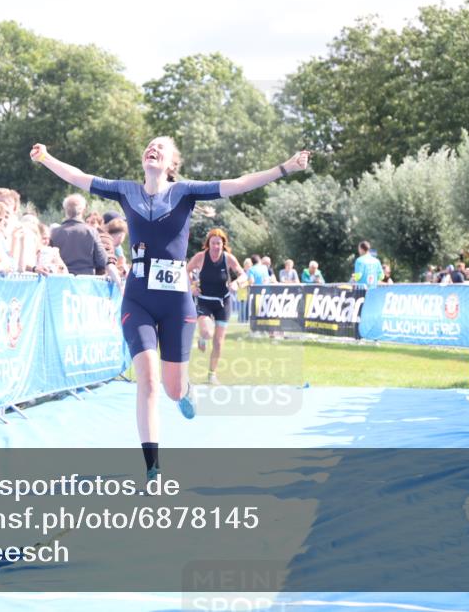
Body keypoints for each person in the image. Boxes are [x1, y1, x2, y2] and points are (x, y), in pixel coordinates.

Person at [30, 136, 309, 479]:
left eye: (161, 148)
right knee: (148, 379)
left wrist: (285, 168)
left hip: (176, 302)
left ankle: (187, 390)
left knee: (173, 389)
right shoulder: (126, 191)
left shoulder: (185, 192)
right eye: (150, 145)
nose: (153, 148)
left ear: (172, 164)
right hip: (138, 299)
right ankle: (153, 468)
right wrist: (47, 158)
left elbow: (238, 184)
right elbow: (79, 177)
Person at [186, 228, 247, 385]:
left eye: (218, 243)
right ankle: (202, 337)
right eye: (213, 243)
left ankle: (212, 374)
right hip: (204, 301)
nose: (215, 247)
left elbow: (243, 275)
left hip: (223, 302)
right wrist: (191, 286)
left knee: (218, 342)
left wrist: (237, 283)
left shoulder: (228, 258)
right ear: (208, 244)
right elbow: (185, 271)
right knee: (207, 332)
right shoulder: (200, 257)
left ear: (223, 244)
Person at [49, 193, 114, 276]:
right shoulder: (91, 232)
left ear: (64, 210)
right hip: (86, 279)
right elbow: (102, 260)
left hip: (61, 278)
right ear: (83, 210)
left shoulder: (54, 232)